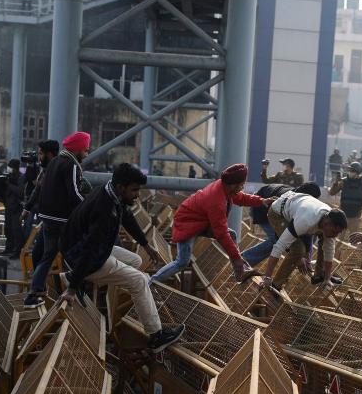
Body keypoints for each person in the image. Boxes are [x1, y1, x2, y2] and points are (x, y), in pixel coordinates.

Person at [61, 163, 183, 351]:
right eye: (134, 190)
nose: (137, 194)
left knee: (137, 261)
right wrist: (73, 287)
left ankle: (136, 304)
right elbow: (89, 250)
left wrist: (145, 245)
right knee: (140, 280)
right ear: (121, 187)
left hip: (83, 249)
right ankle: (156, 335)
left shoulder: (109, 192)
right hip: (84, 257)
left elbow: (126, 218)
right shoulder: (104, 212)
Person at [152, 164, 269, 284]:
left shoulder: (225, 187)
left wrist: (261, 201)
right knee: (182, 262)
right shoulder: (216, 201)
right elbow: (221, 234)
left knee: (231, 234)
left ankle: (240, 272)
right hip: (187, 224)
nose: (243, 186)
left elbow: (240, 198)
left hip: (200, 221)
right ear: (234, 184)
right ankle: (151, 282)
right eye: (242, 184)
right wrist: (236, 258)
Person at [24, 132, 91, 308]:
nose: (87, 153)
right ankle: (78, 291)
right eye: (85, 149)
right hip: (62, 220)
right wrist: (90, 208)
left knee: (48, 256)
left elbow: (41, 188)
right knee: (78, 254)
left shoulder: (54, 162)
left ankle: (34, 293)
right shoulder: (71, 165)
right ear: (77, 149)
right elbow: (75, 192)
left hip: (46, 217)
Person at [259, 192, 347, 291]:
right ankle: (276, 285)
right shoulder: (306, 221)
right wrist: (267, 277)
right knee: (298, 250)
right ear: (326, 223)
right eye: (334, 231)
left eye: (338, 233)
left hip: (299, 205)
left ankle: (320, 275)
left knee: (327, 240)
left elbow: (329, 252)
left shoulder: (329, 221)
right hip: (278, 213)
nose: (335, 235)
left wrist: (327, 278)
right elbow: (279, 246)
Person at [327, 162, 362, 235]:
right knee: (339, 236)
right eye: (350, 170)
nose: (350, 172)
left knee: (354, 237)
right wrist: (336, 182)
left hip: (356, 215)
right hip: (342, 214)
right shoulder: (343, 182)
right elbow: (332, 193)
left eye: (353, 171)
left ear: (358, 172)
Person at [0, 159, 24, 257]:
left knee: (16, 230)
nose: (9, 169)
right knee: (8, 229)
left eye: (11, 167)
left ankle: (17, 250)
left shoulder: (21, 177)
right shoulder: (9, 176)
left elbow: (20, 192)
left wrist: (8, 184)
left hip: (17, 207)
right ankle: (8, 248)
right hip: (8, 206)